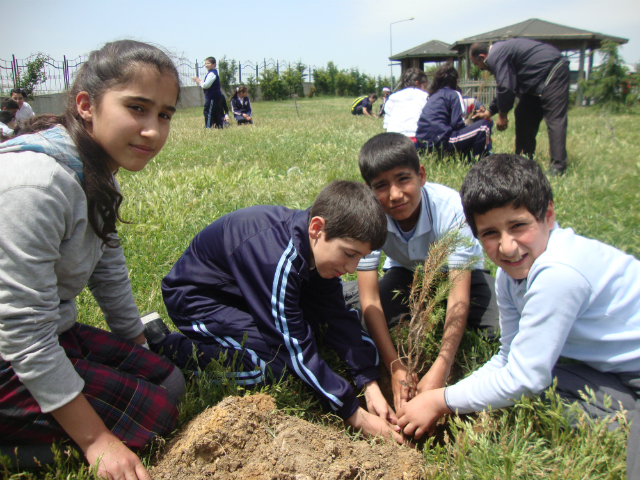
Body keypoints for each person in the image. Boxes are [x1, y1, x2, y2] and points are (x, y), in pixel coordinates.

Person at [0, 40, 185, 480]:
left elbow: (107, 264)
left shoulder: (93, 172)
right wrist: (96, 441)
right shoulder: (36, 186)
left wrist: (134, 343)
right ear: (86, 104)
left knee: (167, 380)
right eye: (137, 108)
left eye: (163, 114)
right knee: (154, 417)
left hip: (46, 332)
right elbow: (22, 331)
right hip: (10, 349)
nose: (153, 131)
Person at [397, 154, 640, 477]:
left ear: (548, 215)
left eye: (518, 226)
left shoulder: (559, 272)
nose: (507, 247)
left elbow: (525, 377)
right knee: (537, 391)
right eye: (490, 234)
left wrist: (441, 400)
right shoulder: (510, 276)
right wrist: (445, 397)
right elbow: (508, 359)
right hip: (617, 371)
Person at [145, 180, 404, 444]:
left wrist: (369, 383)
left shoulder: (315, 247)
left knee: (316, 329)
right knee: (269, 366)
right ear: (317, 228)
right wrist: (353, 412)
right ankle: (166, 346)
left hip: (246, 294)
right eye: (349, 254)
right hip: (197, 299)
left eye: (361, 258)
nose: (352, 267)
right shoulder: (278, 259)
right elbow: (293, 346)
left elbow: (335, 314)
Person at [343, 132, 499, 413]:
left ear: (421, 175)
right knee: (362, 318)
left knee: (498, 329)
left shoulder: (452, 209)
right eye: (381, 186)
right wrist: (394, 366)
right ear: (368, 190)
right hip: (407, 275)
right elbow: (371, 300)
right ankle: (345, 295)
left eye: (403, 179)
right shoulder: (370, 217)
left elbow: (458, 297)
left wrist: (441, 367)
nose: (395, 195)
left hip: (460, 275)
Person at [470, 39, 570, 174]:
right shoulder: (500, 52)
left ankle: (558, 167)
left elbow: (505, 86)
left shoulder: (495, 56)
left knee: (555, 119)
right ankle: (523, 161)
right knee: (523, 113)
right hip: (536, 81)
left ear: (483, 57)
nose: (480, 69)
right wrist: (489, 111)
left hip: (553, 70)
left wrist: (502, 115)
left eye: (478, 65)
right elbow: (508, 84)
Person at [416, 64, 492, 159]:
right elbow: (457, 124)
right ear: (455, 81)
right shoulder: (454, 94)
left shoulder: (433, 96)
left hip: (424, 145)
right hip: (442, 142)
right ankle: (480, 161)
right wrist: (472, 122)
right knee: (483, 127)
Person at [382, 68, 429, 145]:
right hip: (414, 139)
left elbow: (386, 124)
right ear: (417, 83)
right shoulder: (424, 97)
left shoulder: (393, 97)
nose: (425, 89)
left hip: (392, 141)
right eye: (425, 86)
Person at [192, 56, 223, 128]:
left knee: (208, 112)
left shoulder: (212, 73)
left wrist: (199, 81)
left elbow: (206, 85)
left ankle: (208, 127)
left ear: (214, 64)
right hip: (216, 96)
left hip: (212, 96)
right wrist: (200, 81)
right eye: (205, 63)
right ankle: (219, 126)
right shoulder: (212, 73)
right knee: (216, 112)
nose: (206, 65)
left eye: (208, 63)